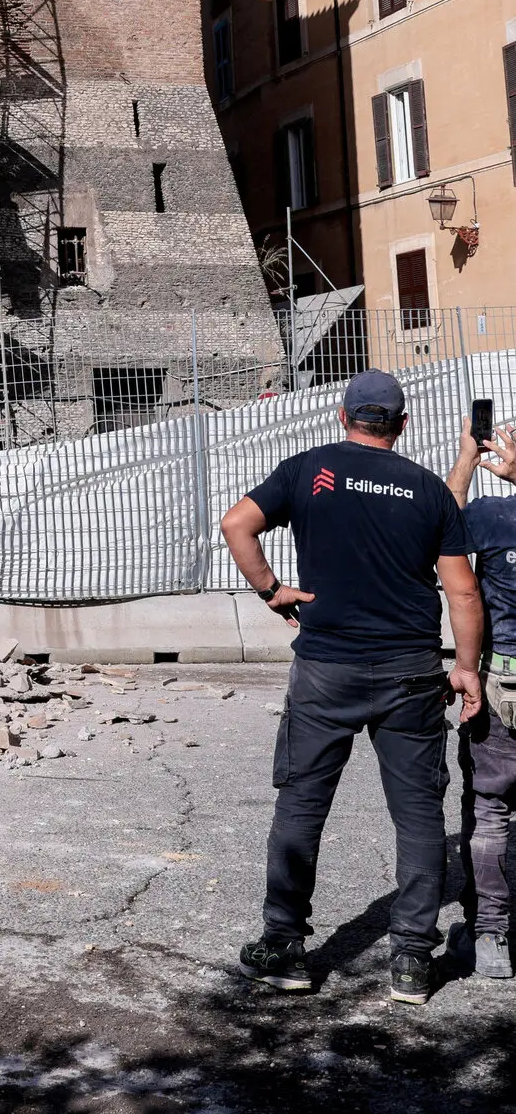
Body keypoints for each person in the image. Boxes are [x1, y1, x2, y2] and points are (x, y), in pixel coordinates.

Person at [221, 368, 482, 1005]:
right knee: (419, 815)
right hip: (410, 673)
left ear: (343, 416)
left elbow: (236, 525)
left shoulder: (308, 469)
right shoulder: (428, 491)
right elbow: (463, 590)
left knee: (302, 805)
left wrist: (271, 590)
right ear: (402, 424)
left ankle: (284, 948)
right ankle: (413, 961)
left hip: (326, 669)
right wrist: (467, 666)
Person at [446, 418, 516, 979]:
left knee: (489, 810)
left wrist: (469, 457)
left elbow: (442, 522)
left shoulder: (491, 517)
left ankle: (491, 936)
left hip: (500, 679)